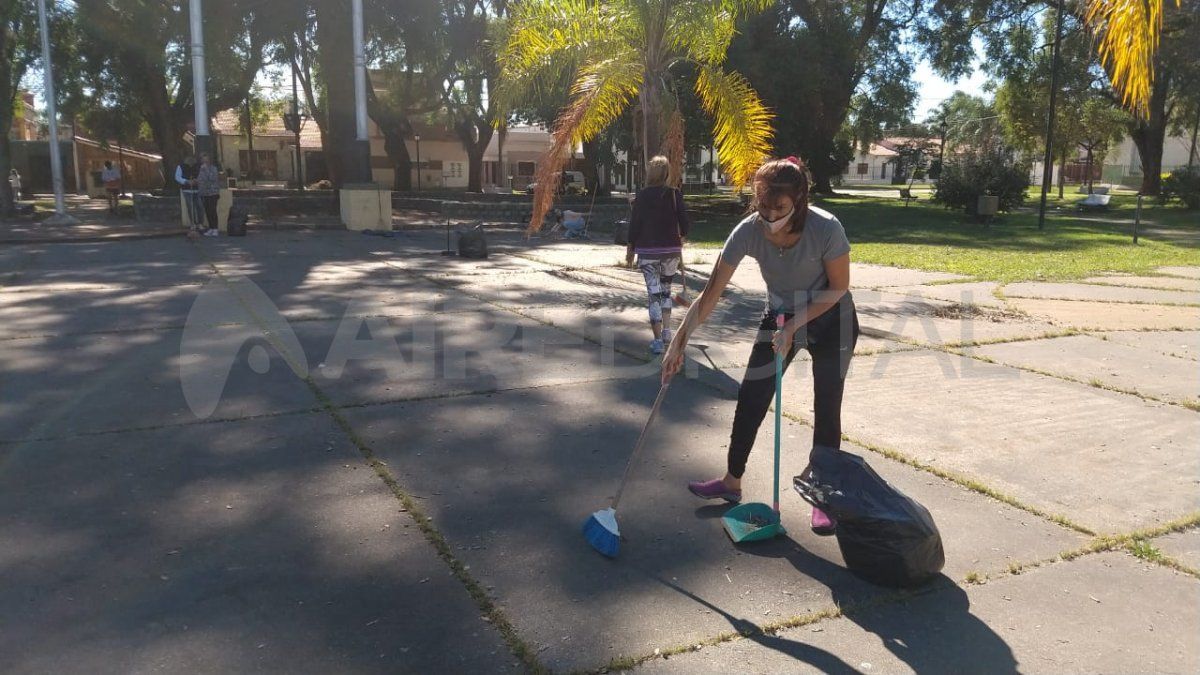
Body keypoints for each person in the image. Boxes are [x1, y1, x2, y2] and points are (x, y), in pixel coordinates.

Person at [661, 156, 859, 536]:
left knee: (827, 404)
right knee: (752, 395)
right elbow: (709, 296)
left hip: (832, 318)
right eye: (763, 207)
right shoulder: (748, 231)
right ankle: (731, 480)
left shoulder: (826, 228)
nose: (770, 217)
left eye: (780, 208)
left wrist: (796, 325)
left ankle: (824, 496)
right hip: (781, 315)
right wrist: (678, 343)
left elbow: (839, 287)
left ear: (799, 199)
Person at [625, 155, 689, 354]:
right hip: (671, 251)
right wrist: (681, 236)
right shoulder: (674, 194)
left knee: (653, 295)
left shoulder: (641, 196)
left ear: (650, 173)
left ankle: (658, 341)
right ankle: (668, 332)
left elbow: (635, 225)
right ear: (667, 173)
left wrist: (630, 248)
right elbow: (685, 223)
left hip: (648, 251)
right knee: (666, 291)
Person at [195, 152, 222, 237]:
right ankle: (211, 228)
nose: (204, 161)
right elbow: (200, 179)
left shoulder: (213, 168)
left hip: (213, 193)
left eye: (206, 159)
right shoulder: (201, 169)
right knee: (207, 211)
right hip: (204, 193)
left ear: (209, 160)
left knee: (212, 210)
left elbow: (212, 178)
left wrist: (206, 170)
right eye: (203, 159)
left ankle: (215, 229)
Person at [175, 155, 203, 232]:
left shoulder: (198, 166)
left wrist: (197, 180)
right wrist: (186, 181)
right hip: (187, 190)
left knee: (199, 206)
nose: (191, 160)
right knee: (191, 207)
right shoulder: (181, 166)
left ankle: (200, 223)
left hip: (197, 189)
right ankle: (193, 223)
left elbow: (202, 175)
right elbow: (177, 177)